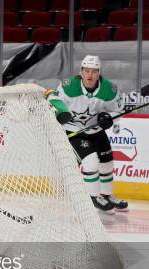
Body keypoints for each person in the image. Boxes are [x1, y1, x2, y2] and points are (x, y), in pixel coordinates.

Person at [56, 55, 127, 214]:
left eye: (94, 72)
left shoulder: (109, 89)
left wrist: (110, 118)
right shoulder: (68, 87)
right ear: (81, 71)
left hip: (96, 130)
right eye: (87, 71)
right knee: (91, 163)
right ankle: (94, 197)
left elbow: (118, 110)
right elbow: (54, 103)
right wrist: (60, 115)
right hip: (74, 131)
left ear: (99, 73)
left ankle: (107, 195)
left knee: (107, 162)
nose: (90, 75)